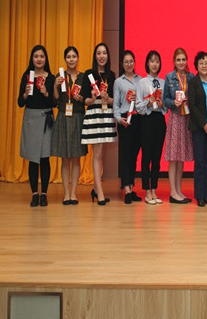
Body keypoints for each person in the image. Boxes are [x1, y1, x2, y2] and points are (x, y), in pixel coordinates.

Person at [18, 45, 56, 207]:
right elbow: (20, 102)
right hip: (31, 119)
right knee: (33, 159)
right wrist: (26, 93)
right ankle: (34, 194)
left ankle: (44, 194)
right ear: (32, 59)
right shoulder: (27, 76)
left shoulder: (51, 78)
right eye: (36, 56)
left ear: (46, 59)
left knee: (45, 157)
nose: (39, 59)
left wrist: (46, 93)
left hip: (46, 119)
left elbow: (54, 103)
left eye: (42, 56)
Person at [81, 43, 117, 205]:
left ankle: (96, 189)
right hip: (94, 115)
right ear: (95, 56)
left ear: (108, 56)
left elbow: (115, 101)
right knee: (97, 153)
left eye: (104, 53)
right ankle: (100, 192)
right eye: (99, 53)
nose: (102, 56)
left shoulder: (112, 76)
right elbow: (85, 101)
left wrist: (107, 98)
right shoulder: (89, 74)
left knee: (101, 154)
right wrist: (93, 97)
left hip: (107, 114)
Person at [51, 46, 87, 205]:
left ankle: (74, 193)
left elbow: (87, 99)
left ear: (78, 58)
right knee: (64, 158)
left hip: (78, 117)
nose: (71, 59)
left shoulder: (83, 77)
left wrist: (81, 99)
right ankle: (66, 194)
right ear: (65, 59)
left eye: (74, 56)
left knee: (76, 158)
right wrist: (55, 85)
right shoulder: (60, 76)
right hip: (63, 117)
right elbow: (56, 99)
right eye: (68, 57)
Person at [187, 51, 207, 207]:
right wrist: (204, 124)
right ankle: (199, 196)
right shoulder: (193, 83)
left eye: (206, 63)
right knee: (200, 162)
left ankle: (205, 195)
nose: (204, 65)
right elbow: (192, 106)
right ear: (197, 65)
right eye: (201, 63)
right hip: (199, 128)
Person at [163, 47, 195, 204]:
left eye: (183, 59)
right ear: (174, 62)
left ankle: (178, 190)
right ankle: (173, 192)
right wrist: (173, 103)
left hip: (186, 119)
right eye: (178, 60)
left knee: (181, 157)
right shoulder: (169, 77)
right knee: (173, 157)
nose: (181, 62)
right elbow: (165, 99)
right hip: (175, 118)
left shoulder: (191, 77)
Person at [136, 50, 167, 205]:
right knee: (146, 156)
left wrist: (162, 104)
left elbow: (167, 106)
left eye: (157, 61)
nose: (155, 64)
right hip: (147, 120)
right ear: (147, 63)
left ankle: (154, 189)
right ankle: (146, 191)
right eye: (152, 61)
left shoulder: (163, 82)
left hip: (160, 120)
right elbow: (138, 106)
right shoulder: (142, 82)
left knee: (157, 157)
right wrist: (148, 102)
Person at [113, 50, 142, 204]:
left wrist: (139, 99)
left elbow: (144, 101)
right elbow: (116, 104)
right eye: (126, 62)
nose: (129, 64)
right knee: (125, 155)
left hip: (138, 119)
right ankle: (127, 189)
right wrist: (119, 119)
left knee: (134, 155)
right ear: (122, 64)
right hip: (125, 120)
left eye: (131, 61)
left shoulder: (141, 80)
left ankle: (131, 185)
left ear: (135, 62)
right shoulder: (118, 82)